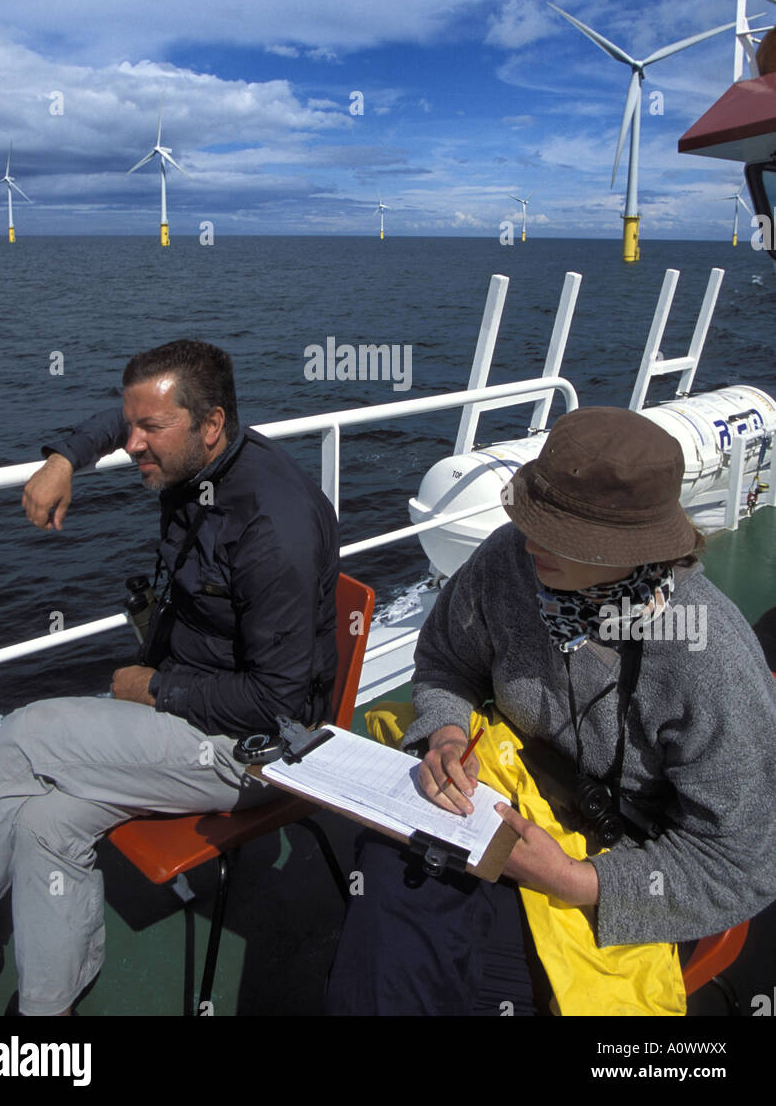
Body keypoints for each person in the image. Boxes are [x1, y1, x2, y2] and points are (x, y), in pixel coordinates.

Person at [326, 406, 776, 1016]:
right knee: (395, 872)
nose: (529, 539)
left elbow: (738, 862)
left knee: (460, 968)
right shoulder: (510, 561)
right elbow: (445, 661)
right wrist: (445, 734)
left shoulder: (709, 658)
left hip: (626, 873)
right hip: (514, 803)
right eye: (529, 517)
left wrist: (569, 879)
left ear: (637, 547)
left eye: (560, 532)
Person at [0, 339, 339, 1015]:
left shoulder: (273, 529)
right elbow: (121, 417)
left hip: (253, 751)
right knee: (45, 821)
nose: (132, 444)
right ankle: (48, 1008)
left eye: (151, 430)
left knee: (24, 737)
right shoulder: (210, 445)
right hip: (195, 708)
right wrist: (65, 458)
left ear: (210, 424)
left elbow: (278, 702)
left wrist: (155, 689)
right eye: (135, 426)